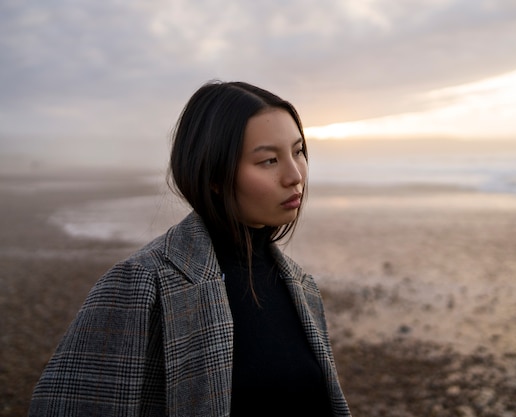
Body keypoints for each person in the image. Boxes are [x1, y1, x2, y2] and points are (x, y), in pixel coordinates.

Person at [29, 81, 351, 416]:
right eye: (269, 160)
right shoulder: (141, 284)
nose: (295, 175)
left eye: (298, 152)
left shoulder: (301, 287)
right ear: (213, 174)